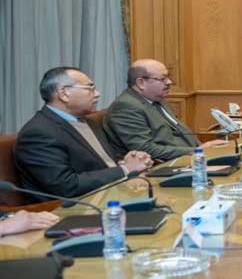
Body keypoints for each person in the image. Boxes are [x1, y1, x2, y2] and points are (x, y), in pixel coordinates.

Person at [15, 67, 152, 200]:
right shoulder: (38, 133)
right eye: (90, 88)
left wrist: (129, 161)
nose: (97, 94)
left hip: (112, 193)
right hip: (75, 208)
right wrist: (125, 169)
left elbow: (103, 162)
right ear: (64, 94)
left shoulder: (88, 121)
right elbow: (66, 186)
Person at [104, 59, 226, 162]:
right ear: (141, 83)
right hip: (162, 166)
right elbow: (145, 149)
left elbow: (179, 131)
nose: (169, 82)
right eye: (162, 79)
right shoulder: (125, 107)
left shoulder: (157, 100)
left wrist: (202, 149)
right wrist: (197, 151)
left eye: (168, 77)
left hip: (188, 158)